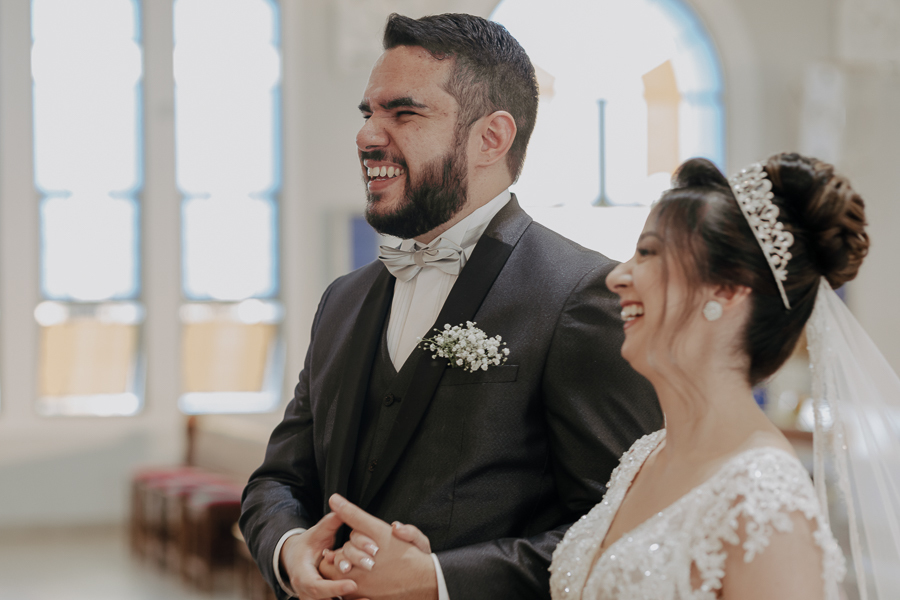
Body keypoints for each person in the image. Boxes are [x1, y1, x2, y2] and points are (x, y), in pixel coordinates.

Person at [239, 12, 661, 600]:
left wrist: (437, 579)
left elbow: (625, 531)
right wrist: (290, 548)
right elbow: (279, 480)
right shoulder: (342, 300)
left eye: (403, 113)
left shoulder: (582, 295)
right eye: (368, 113)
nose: (366, 136)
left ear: (491, 138)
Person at [547, 153, 871, 599]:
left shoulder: (763, 501)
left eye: (648, 252)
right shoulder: (644, 455)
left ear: (727, 287)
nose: (617, 276)